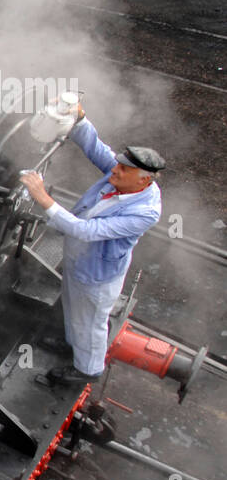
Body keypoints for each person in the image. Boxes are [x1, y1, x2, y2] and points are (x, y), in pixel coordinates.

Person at [20, 116, 164, 386]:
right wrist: (80, 119)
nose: (114, 172)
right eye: (118, 165)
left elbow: (87, 231)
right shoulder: (126, 178)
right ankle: (73, 344)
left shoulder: (145, 212)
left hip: (97, 274)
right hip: (79, 260)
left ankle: (88, 369)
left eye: (122, 170)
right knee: (74, 309)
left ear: (143, 180)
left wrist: (43, 198)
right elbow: (97, 149)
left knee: (92, 322)